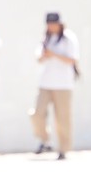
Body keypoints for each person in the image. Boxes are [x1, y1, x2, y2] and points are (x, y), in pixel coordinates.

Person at [31, 11, 78, 159]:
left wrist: (54, 54)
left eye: (54, 24)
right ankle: (45, 140)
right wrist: (45, 55)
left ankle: (63, 149)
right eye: (49, 24)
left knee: (62, 118)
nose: (51, 27)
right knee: (37, 113)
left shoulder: (69, 38)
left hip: (64, 84)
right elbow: (38, 58)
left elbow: (73, 60)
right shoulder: (45, 38)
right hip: (45, 83)